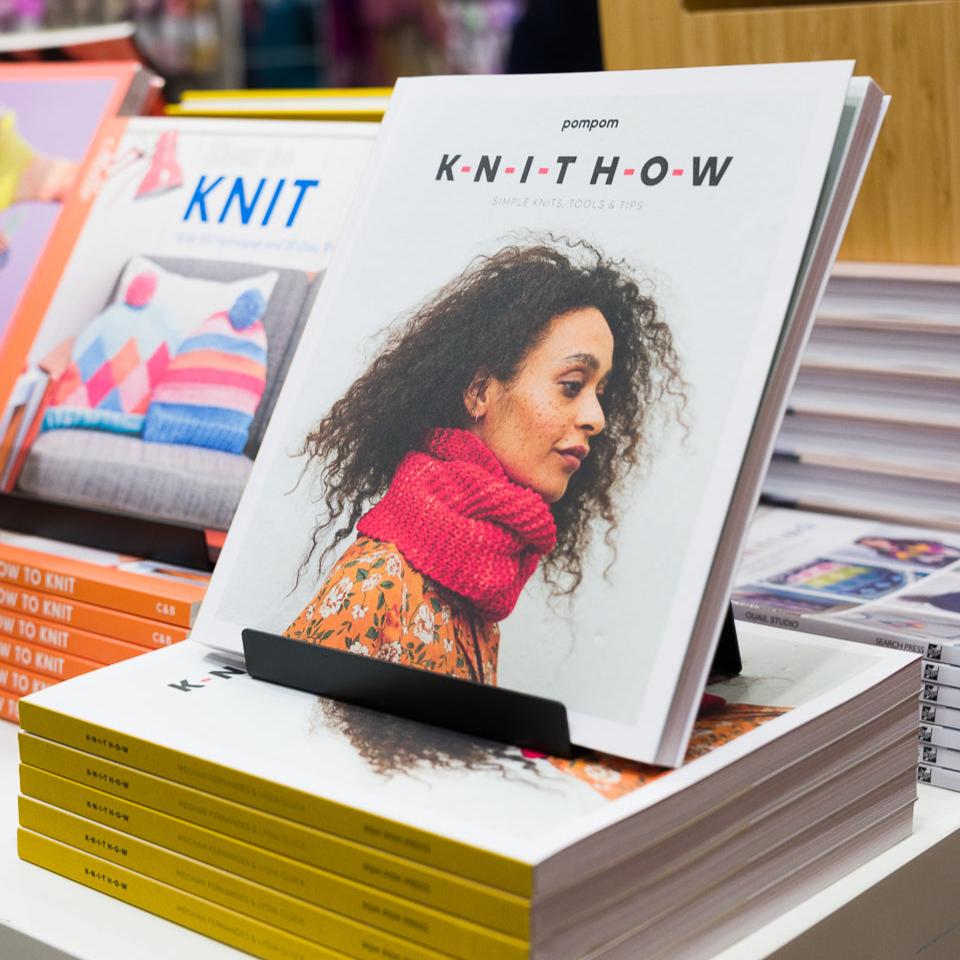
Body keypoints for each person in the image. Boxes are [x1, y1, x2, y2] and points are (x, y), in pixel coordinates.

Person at [284, 238, 685, 684]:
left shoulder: (479, 581)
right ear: (479, 392)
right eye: (572, 384)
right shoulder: (378, 586)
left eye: (601, 394)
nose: (597, 418)